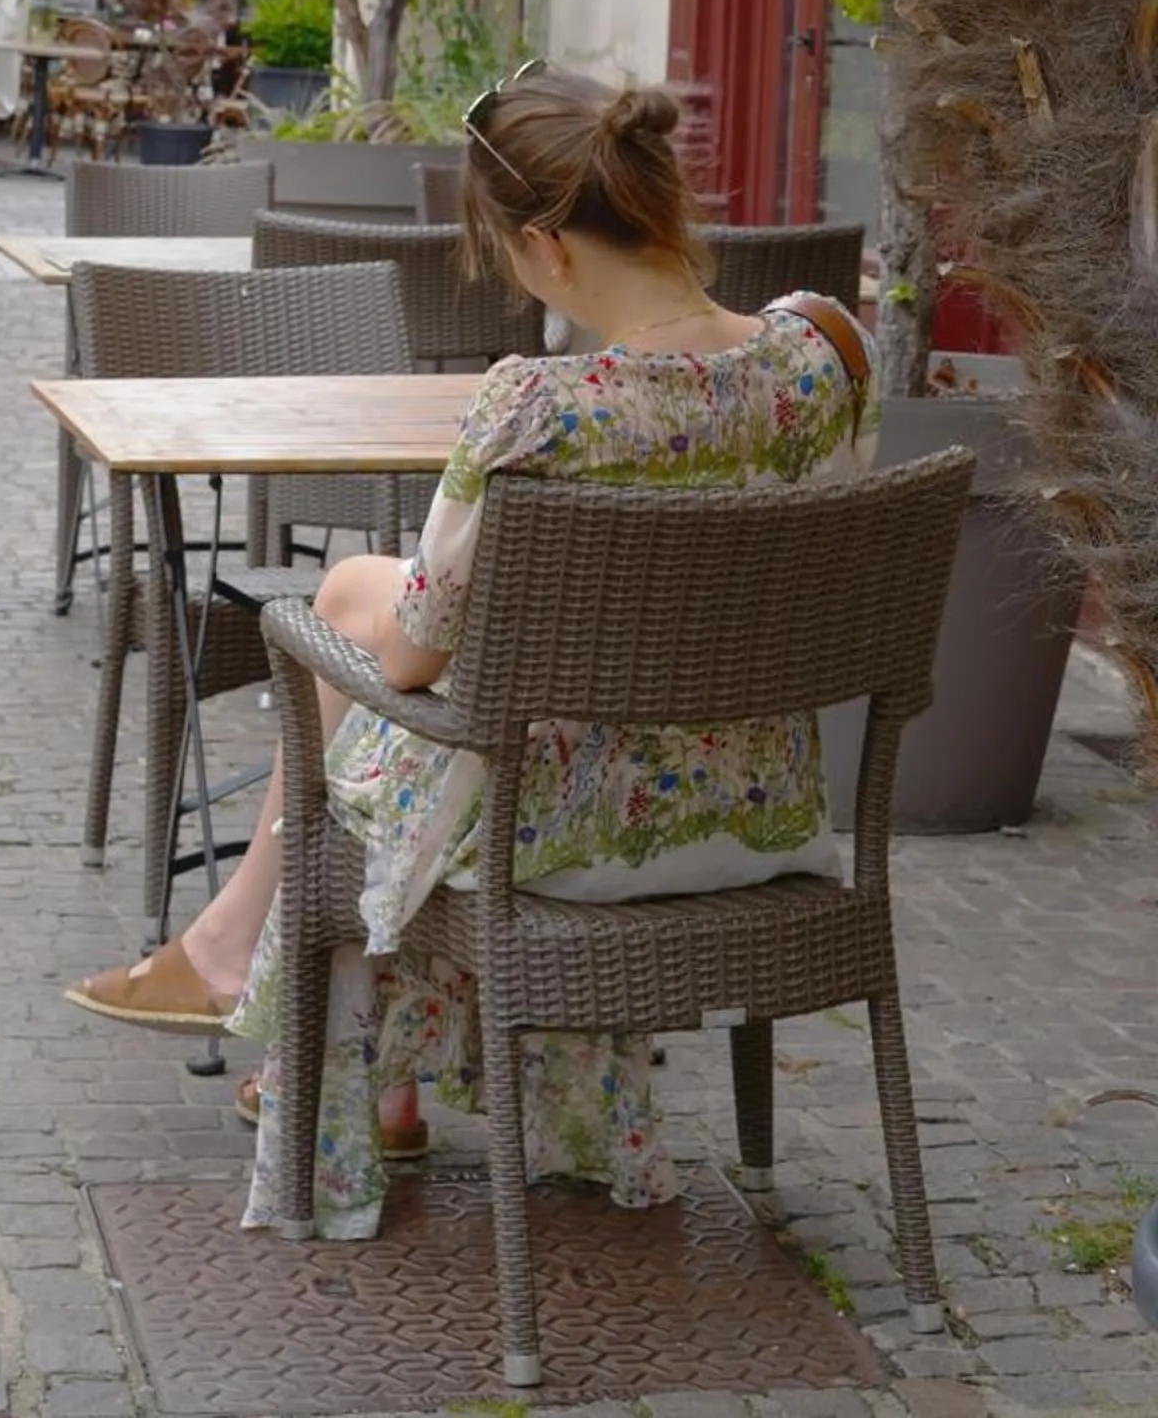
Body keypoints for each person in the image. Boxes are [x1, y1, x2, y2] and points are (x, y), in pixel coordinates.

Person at [66, 67, 870, 1240]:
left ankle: (263, 979)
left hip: (556, 848)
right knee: (402, 676)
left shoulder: (542, 409)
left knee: (353, 647)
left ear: (543, 248)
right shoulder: (824, 356)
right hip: (762, 817)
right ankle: (292, 1004)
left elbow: (408, 658)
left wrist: (347, 595)